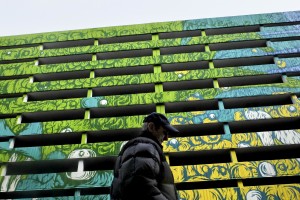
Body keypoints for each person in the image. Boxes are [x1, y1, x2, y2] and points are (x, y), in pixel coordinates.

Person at [110, 112, 180, 200]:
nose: (166, 138)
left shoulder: (142, 148)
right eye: (164, 132)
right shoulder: (144, 147)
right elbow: (141, 186)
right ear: (151, 127)